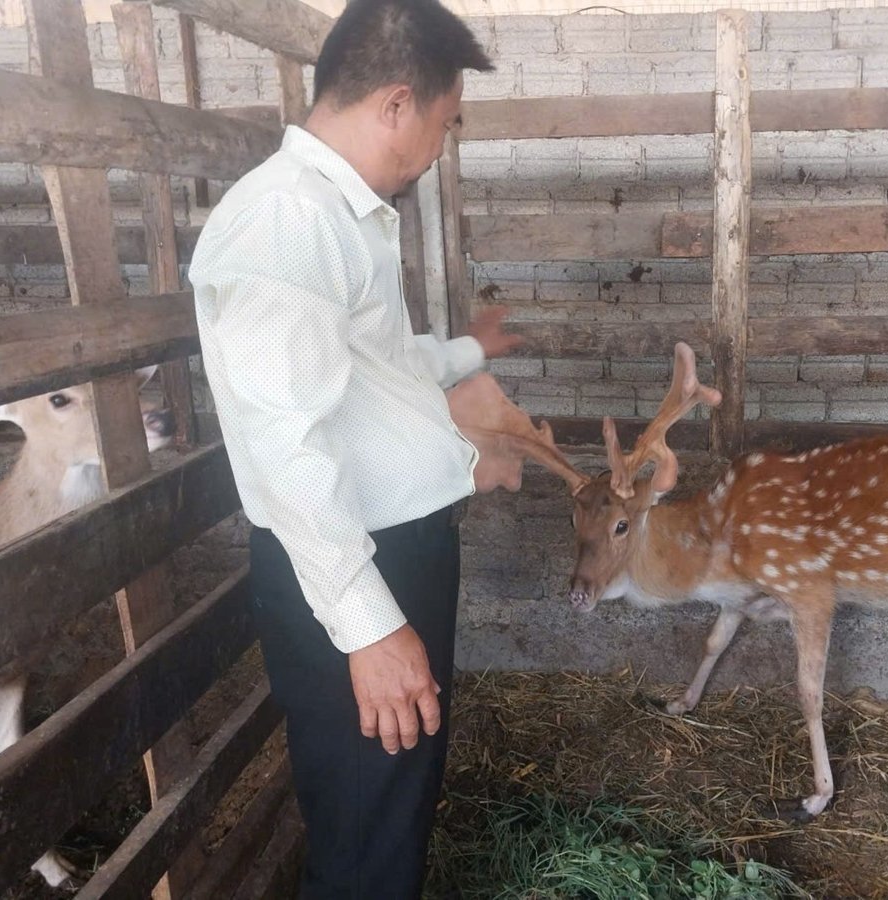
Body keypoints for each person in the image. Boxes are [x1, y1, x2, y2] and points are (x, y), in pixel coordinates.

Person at [187, 0, 514, 895]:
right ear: (399, 104)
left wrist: (471, 351)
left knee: (391, 809)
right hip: (347, 569)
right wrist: (369, 626)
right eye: (445, 124)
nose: (439, 147)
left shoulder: (340, 215)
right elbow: (283, 441)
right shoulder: (286, 223)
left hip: (384, 554)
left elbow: (368, 368)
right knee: (368, 824)